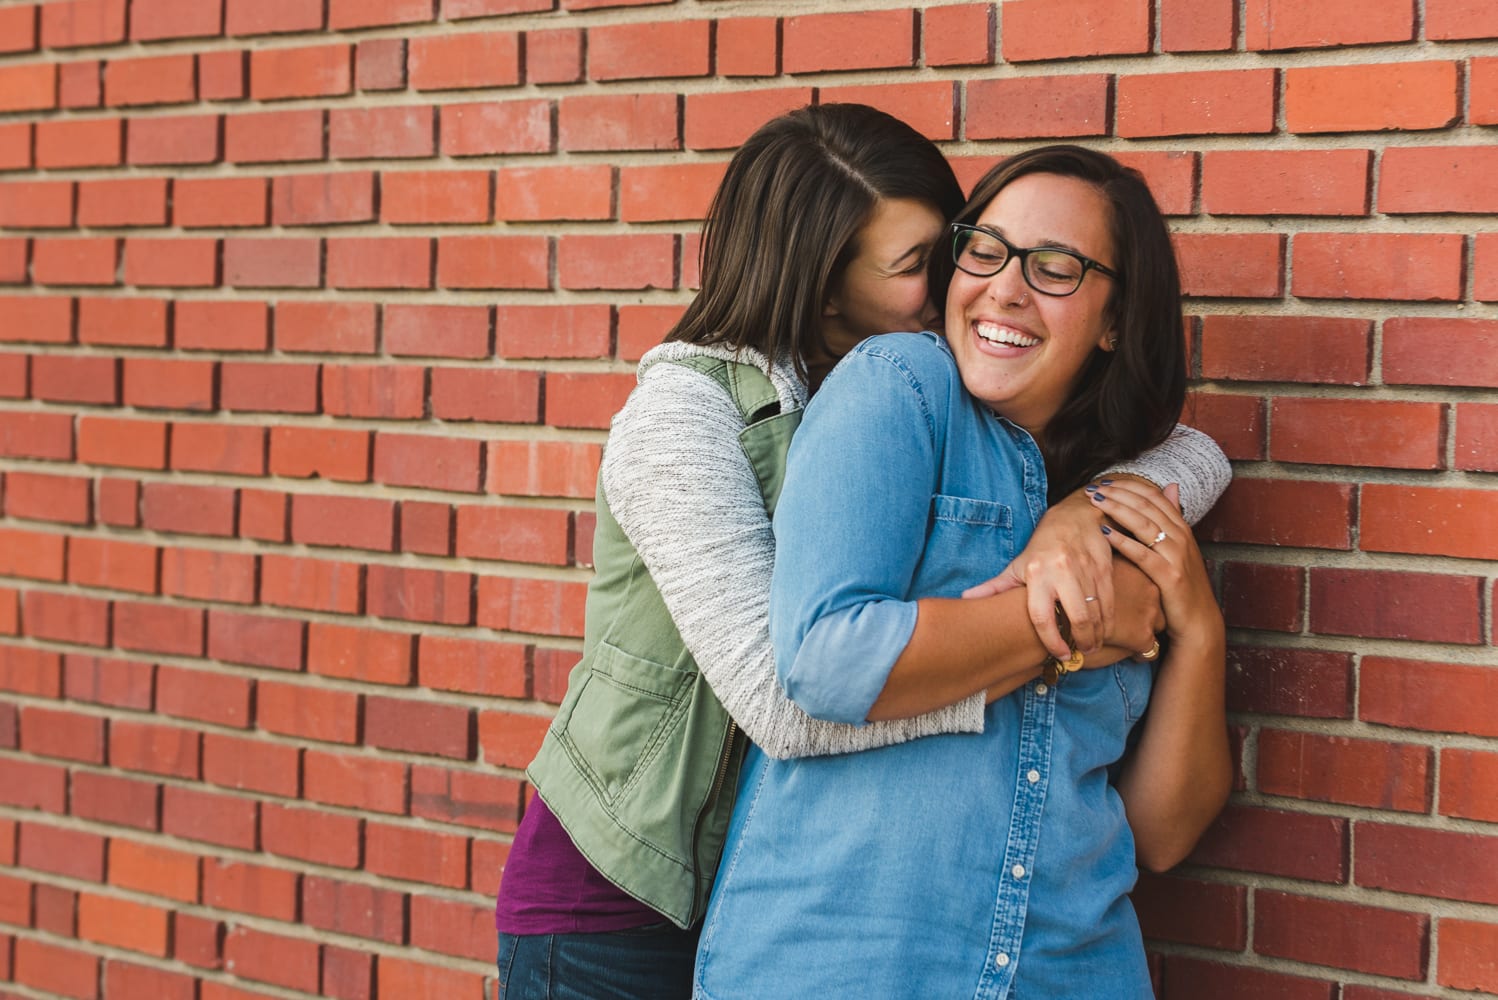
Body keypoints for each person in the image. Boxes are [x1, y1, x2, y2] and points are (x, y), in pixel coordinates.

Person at [495, 109, 1230, 1000]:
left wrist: (1091, 511)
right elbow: (791, 701)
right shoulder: (689, 420)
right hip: (621, 893)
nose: (970, 285)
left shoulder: (950, 405)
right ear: (826, 284)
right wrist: (1064, 626)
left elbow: (1194, 451)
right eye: (938, 261)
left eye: (954, 248)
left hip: (769, 874)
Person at [692, 145, 1233, 1000]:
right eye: (984, 251)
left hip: (1069, 967)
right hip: (847, 966)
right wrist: (1069, 626)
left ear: (1116, 319)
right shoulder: (899, 388)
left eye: (1055, 268)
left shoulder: (1131, 494)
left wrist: (1197, 628)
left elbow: (1162, 834)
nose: (1006, 288)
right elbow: (825, 658)